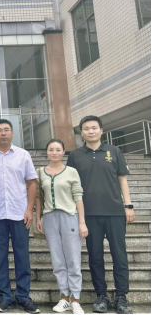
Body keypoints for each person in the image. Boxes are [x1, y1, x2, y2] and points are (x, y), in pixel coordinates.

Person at [67, 116, 135, 315]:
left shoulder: (114, 151)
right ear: (81, 133)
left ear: (101, 130)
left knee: (119, 256)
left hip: (115, 212)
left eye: (94, 128)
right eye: (86, 128)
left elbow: (122, 179)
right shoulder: (75, 155)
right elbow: (71, 185)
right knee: (95, 256)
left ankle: (121, 297)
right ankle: (101, 296)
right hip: (89, 214)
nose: (91, 131)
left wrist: (128, 206)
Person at [0, 119, 40, 313]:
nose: (3, 133)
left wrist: (29, 209)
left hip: (19, 213)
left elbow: (32, 183)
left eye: (6, 130)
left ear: (12, 133)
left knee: (22, 256)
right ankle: (5, 297)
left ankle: (23, 297)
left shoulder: (23, 155)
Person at [35, 139, 88, 314]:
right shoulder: (40, 172)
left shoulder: (71, 171)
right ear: (47, 152)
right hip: (50, 218)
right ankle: (64, 297)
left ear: (64, 152)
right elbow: (38, 197)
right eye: (51, 149)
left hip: (70, 216)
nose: (54, 152)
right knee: (57, 261)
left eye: (58, 149)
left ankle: (76, 299)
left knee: (73, 259)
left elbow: (78, 196)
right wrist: (38, 218)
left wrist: (82, 222)